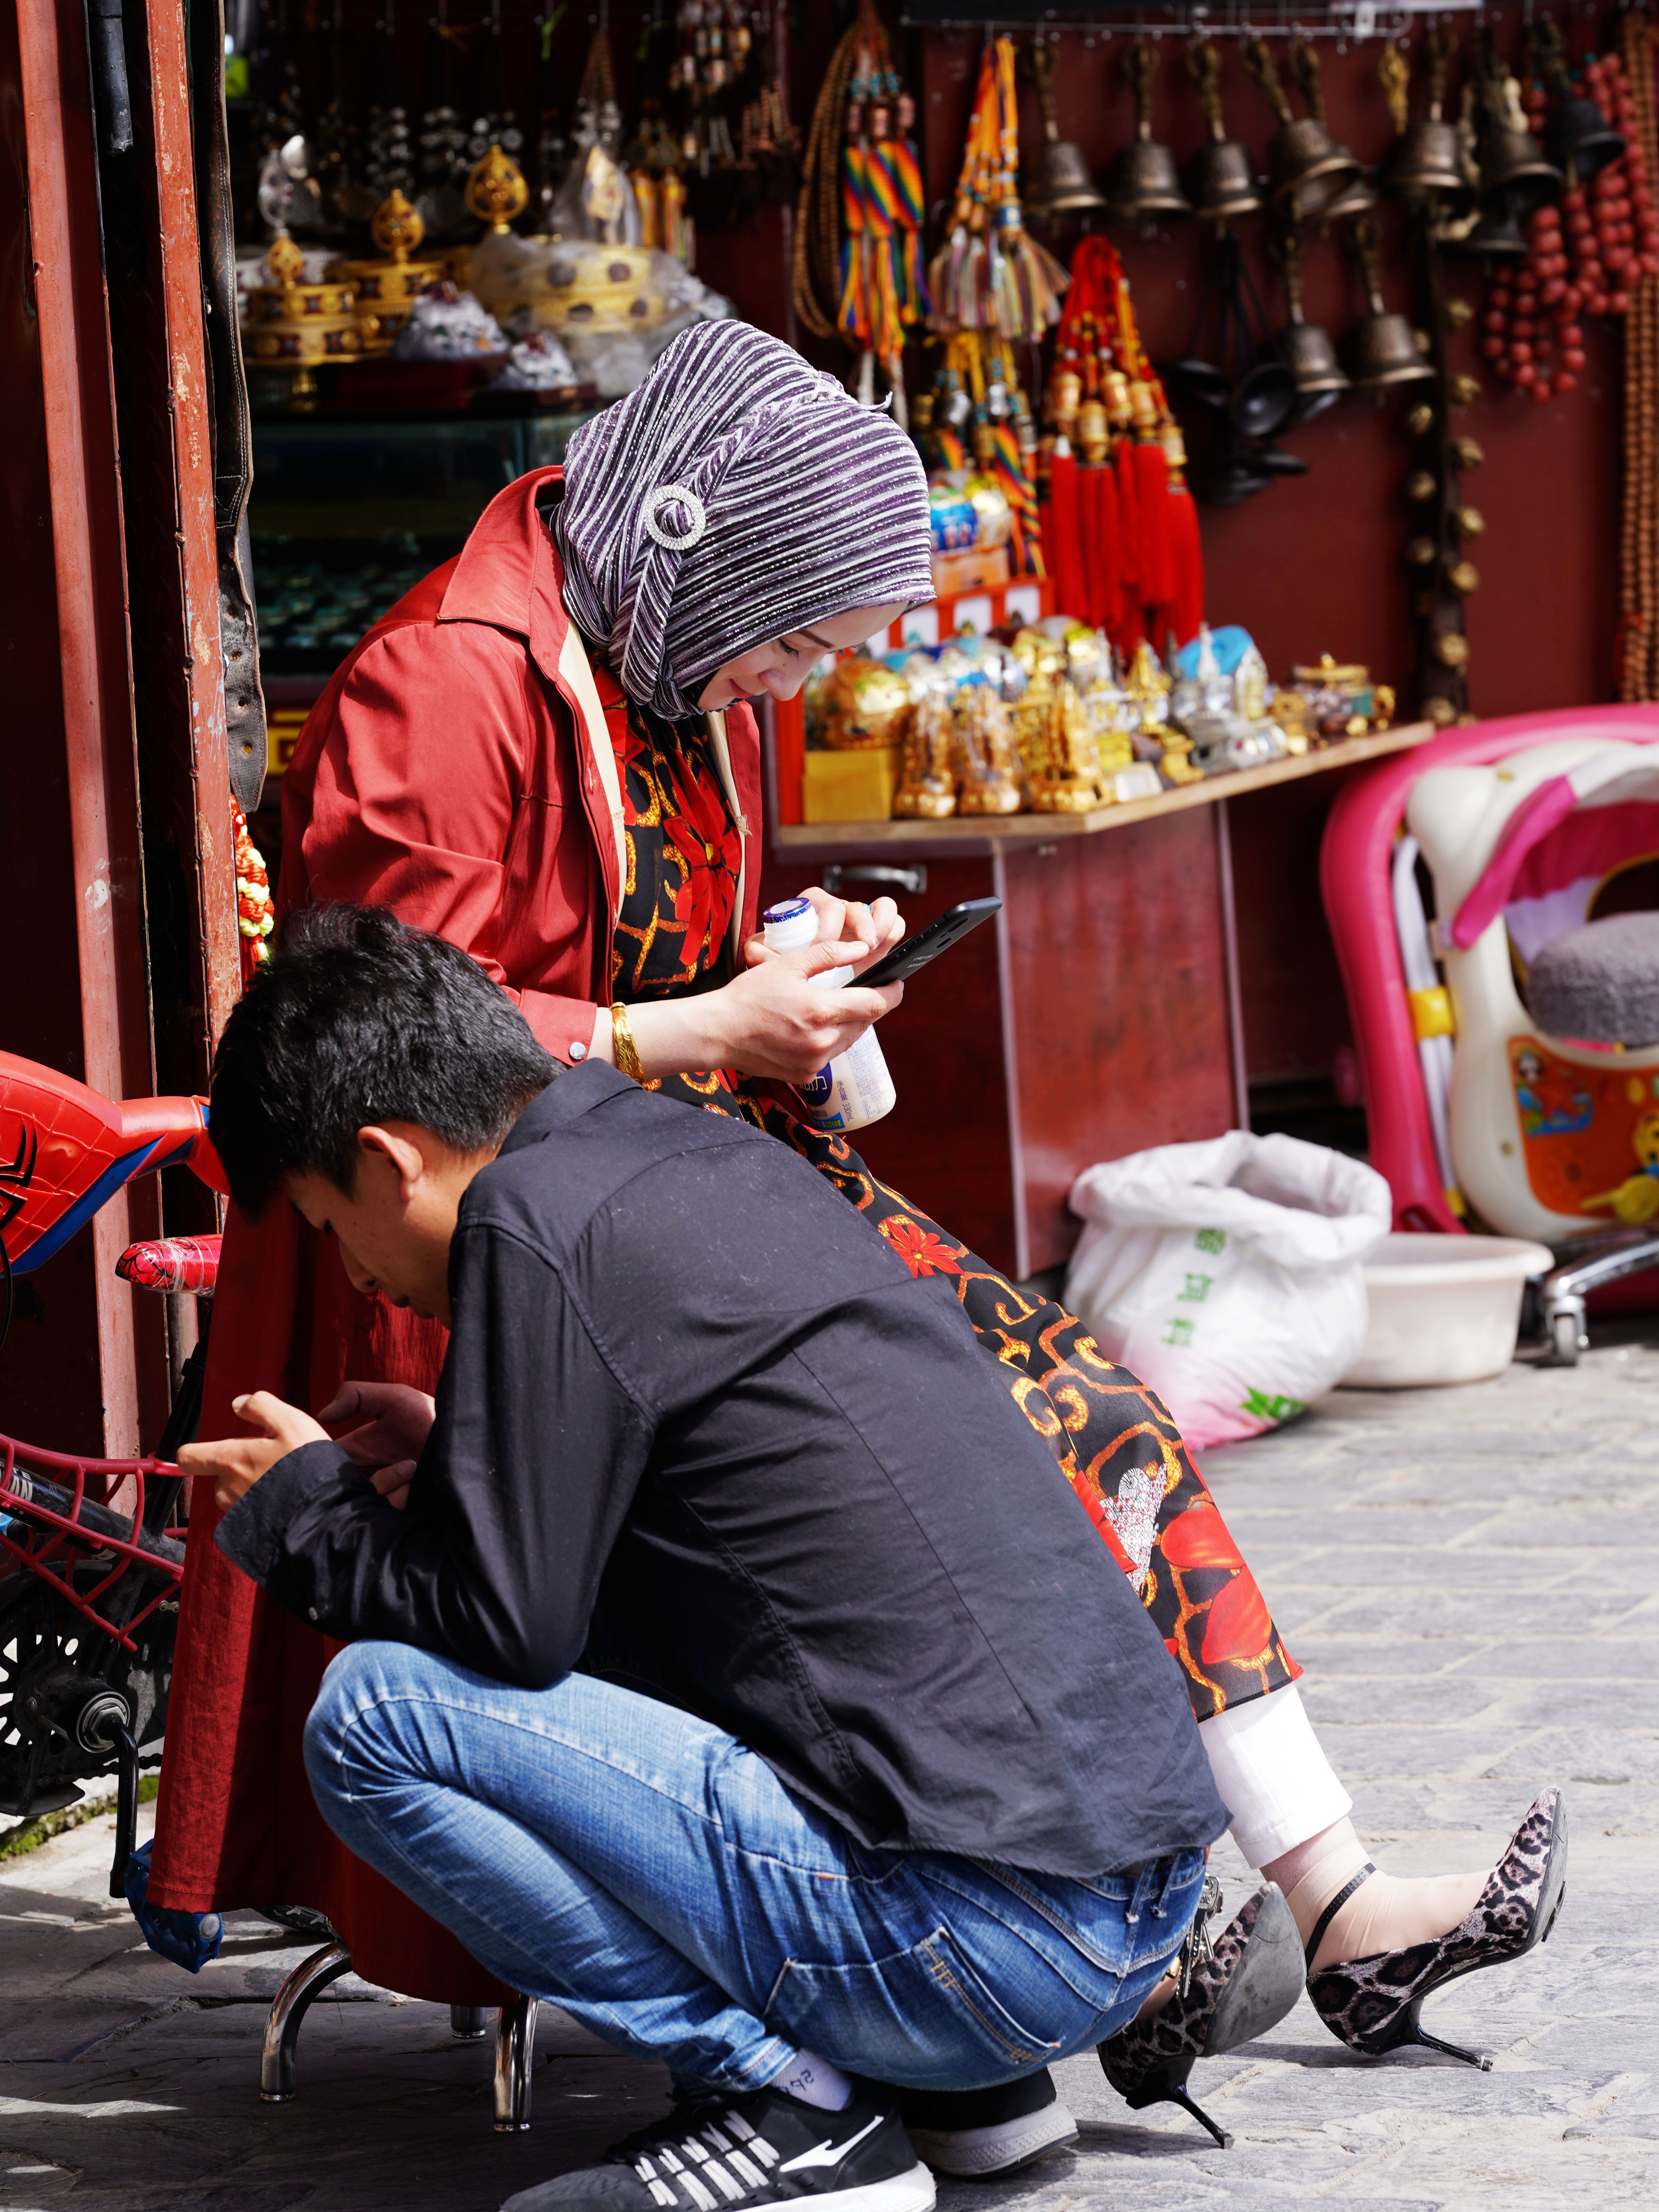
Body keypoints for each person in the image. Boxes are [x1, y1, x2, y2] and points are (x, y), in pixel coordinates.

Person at [149, 320, 1563, 2173]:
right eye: (794, 641)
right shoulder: (452, 680)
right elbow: (406, 1033)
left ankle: (1262, 1902)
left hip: (668, 1177)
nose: (793, 680)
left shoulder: (665, 676)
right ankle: (1060, 1973)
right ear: (695, 557)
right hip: (559, 1202)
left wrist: (785, 995)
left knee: (1091, 1416)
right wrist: (696, 1031)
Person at [180, 904, 1239, 2212]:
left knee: (377, 1717)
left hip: (988, 1943)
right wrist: (470, 1447)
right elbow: (707, 1511)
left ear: (388, 1160)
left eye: (326, 1222)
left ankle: (792, 2112)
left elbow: (507, 1634)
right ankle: (972, 2097)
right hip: (1131, 1899)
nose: (353, 1274)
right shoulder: (683, 1153)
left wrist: (308, 1512)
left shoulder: (527, 1219)